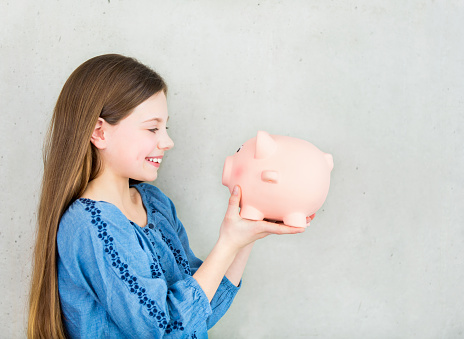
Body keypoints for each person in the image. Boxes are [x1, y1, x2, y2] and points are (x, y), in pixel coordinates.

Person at [28, 54, 313, 338]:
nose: (167, 141)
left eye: (166, 127)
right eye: (152, 128)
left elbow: (201, 313)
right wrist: (228, 243)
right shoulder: (89, 226)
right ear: (99, 132)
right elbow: (165, 330)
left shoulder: (154, 203)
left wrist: (246, 235)